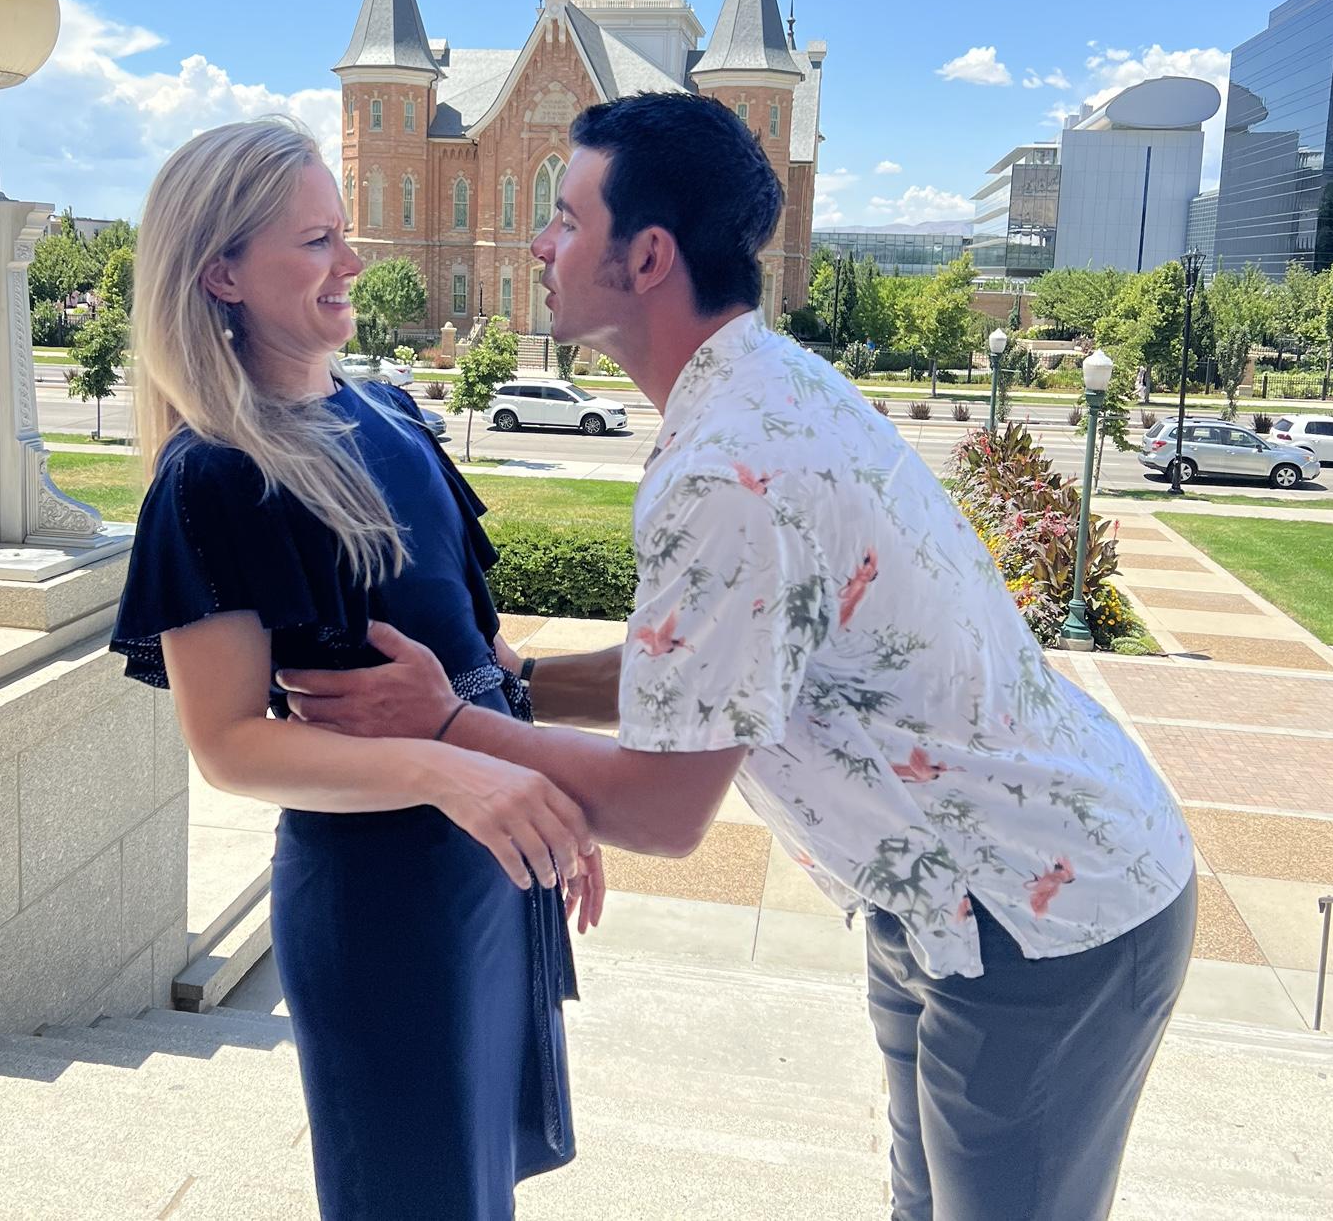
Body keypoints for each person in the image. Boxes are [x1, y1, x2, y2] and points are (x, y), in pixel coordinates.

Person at [282, 93, 1198, 1221]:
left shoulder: (730, 467)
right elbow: (716, 668)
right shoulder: (763, 385)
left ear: (647, 257)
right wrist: (513, 687)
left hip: (1042, 915)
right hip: (941, 903)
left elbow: (664, 808)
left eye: (566, 218)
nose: (537, 244)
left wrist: (444, 724)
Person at [109, 117, 600, 1221]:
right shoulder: (213, 474)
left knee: (478, 1185)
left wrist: (543, 786)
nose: (355, 261)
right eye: (317, 239)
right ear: (221, 274)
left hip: (485, 862)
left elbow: (480, 648)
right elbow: (230, 747)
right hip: (385, 897)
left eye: (344, 231)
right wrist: (454, 774)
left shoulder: (391, 409)